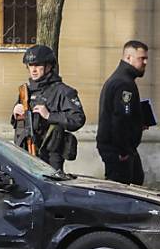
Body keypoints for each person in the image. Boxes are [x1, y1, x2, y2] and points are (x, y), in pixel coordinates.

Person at [11, 44, 85, 172]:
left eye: (38, 65)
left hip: (50, 155)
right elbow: (18, 125)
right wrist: (15, 113)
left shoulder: (63, 91)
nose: (33, 70)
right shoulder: (26, 92)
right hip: (25, 153)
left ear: (49, 66)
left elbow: (78, 119)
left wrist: (49, 116)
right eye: (30, 66)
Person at [97, 40, 149, 185]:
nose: (145, 62)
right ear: (128, 58)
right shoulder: (123, 83)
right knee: (122, 192)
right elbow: (120, 118)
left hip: (120, 147)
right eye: (141, 58)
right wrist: (123, 151)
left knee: (135, 182)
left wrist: (138, 124)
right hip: (118, 149)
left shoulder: (123, 79)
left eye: (146, 58)